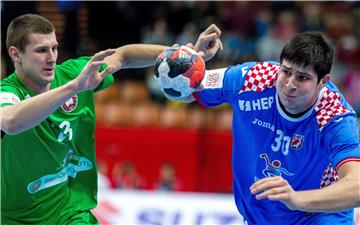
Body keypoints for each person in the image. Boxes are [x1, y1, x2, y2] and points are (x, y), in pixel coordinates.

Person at [0, 14, 221, 225]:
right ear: (16, 54)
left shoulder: (74, 73)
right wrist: (75, 88)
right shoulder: (9, 92)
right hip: (14, 218)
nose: (51, 57)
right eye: (41, 50)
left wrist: (185, 56)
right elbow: (10, 122)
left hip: (69, 212)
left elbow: (124, 56)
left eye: (54, 48)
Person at [169, 30, 360, 224]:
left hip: (318, 215)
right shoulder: (252, 79)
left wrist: (297, 199)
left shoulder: (335, 117)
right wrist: (189, 58)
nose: (289, 85)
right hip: (260, 216)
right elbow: (187, 86)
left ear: (323, 82)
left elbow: (357, 187)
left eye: (302, 78)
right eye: (286, 71)